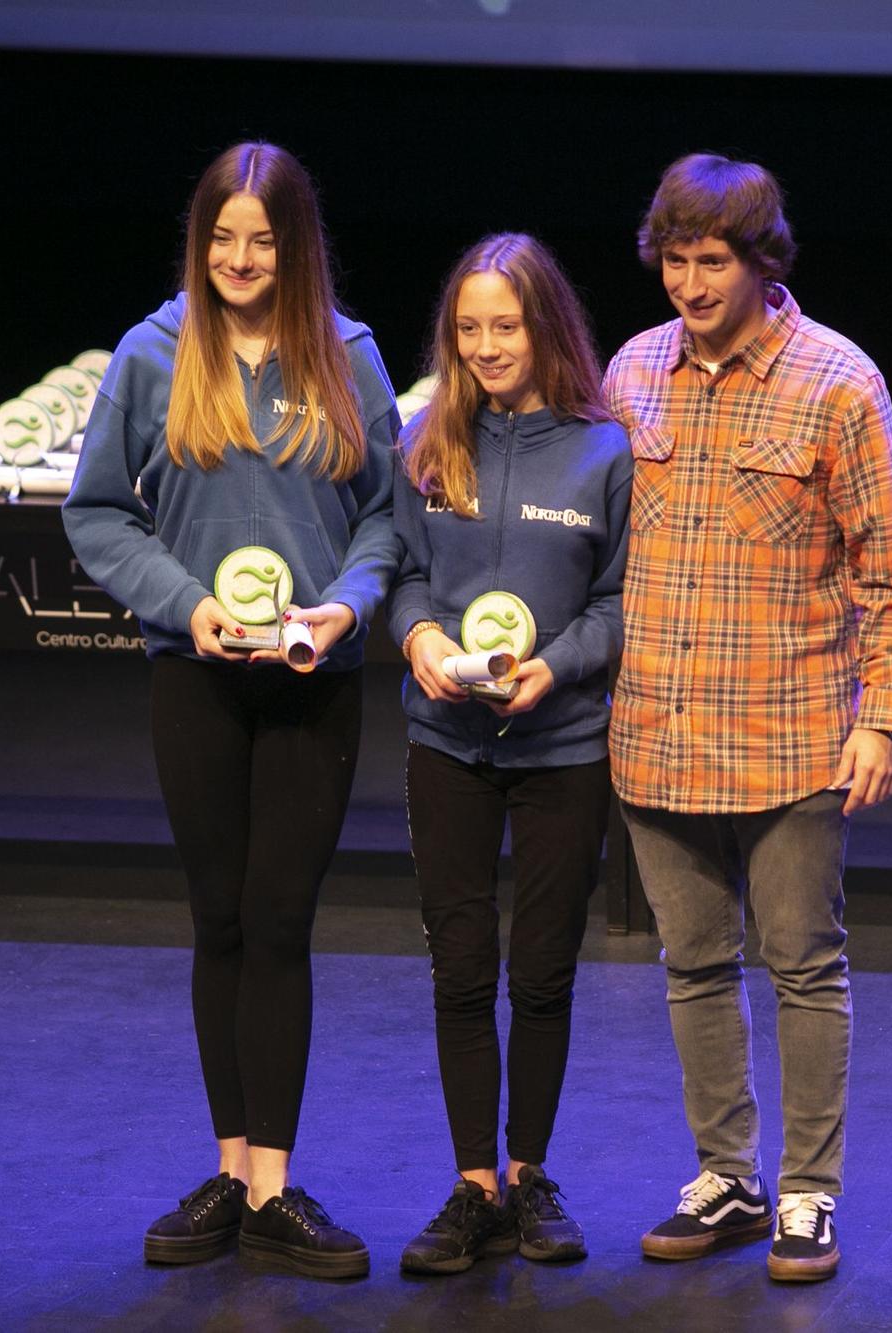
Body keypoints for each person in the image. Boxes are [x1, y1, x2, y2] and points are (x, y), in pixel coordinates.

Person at [62, 141, 400, 1281]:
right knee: (219, 918)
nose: (241, 258)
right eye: (222, 237)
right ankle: (228, 1168)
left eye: (263, 239)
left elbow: (387, 525)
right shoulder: (151, 355)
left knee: (281, 918)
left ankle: (276, 1185)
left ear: (294, 245)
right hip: (196, 674)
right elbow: (99, 514)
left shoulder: (347, 358)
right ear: (199, 242)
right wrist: (184, 602)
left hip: (314, 683)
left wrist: (343, 613)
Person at [602, 154, 892, 1283]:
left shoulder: (835, 380)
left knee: (802, 963)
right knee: (691, 963)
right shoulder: (633, 371)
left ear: (760, 260)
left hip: (792, 731)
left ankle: (805, 1194)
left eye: (711, 262)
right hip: (656, 727)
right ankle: (727, 1177)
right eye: (673, 261)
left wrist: (879, 718)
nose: (688, 285)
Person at [387, 233, 632, 1274]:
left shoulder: (602, 451)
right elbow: (397, 574)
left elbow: (622, 601)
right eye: (468, 327)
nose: (487, 346)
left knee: (539, 973)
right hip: (444, 742)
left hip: (561, 746)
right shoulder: (421, 440)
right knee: (458, 968)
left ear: (545, 326)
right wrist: (422, 640)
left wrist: (562, 664)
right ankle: (469, 1185)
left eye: (506, 324)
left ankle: (528, 1179)